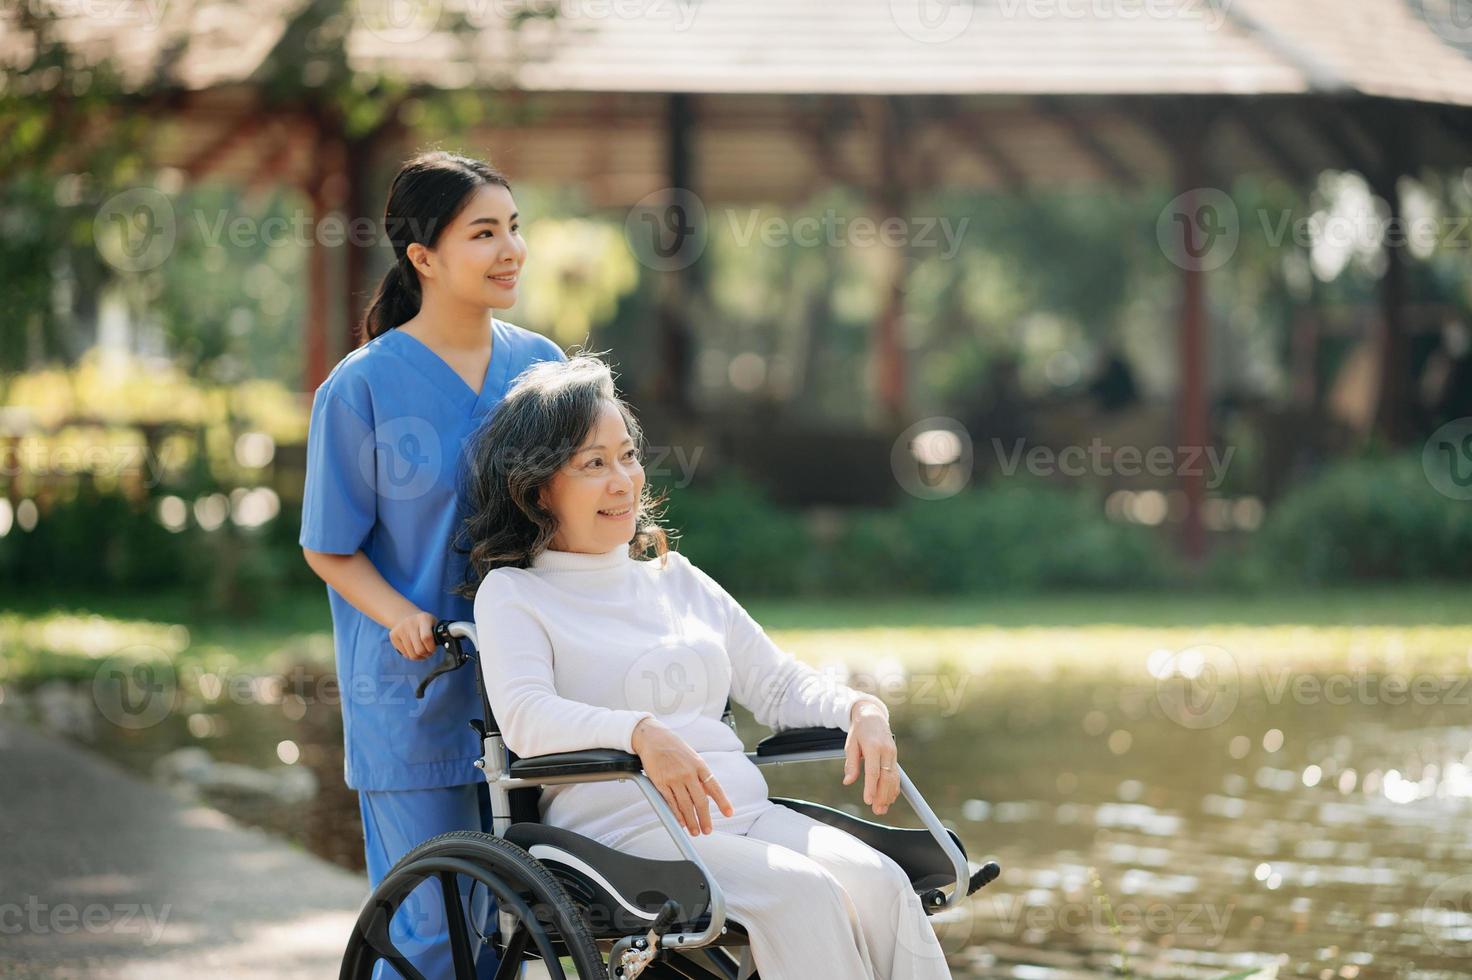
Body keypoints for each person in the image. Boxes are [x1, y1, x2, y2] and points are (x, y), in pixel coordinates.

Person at [459, 354, 955, 980]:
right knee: (804, 892)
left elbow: (776, 684)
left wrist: (860, 707)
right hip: (619, 838)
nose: (623, 481)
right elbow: (528, 718)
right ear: (536, 489)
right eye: (593, 464)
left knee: (882, 884)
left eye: (627, 455)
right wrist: (639, 732)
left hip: (744, 818)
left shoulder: (679, 580)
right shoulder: (514, 593)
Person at [300, 150, 563, 978]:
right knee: (427, 935)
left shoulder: (542, 368)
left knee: (517, 933)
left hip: (536, 694)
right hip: (411, 694)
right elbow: (327, 544)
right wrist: (401, 616)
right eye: (484, 232)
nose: (510, 249)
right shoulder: (361, 388)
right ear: (423, 257)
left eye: (514, 228)